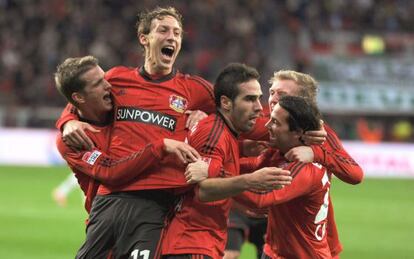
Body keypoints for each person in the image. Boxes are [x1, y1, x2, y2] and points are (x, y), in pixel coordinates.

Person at [57, 8, 288, 259]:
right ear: (144, 38)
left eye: (177, 33)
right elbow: (80, 97)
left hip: (157, 204)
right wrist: (67, 121)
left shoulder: (194, 89)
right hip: (110, 199)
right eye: (163, 30)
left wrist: (300, 126)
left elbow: (242, 112)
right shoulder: (117, 79)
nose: (172, 37)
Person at [54, 55, 201, 258]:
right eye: (98, 83)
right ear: (79, 97)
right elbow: (110, 171)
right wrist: (160, 146)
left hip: (148, 212)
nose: (109, 86)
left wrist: (203, 115)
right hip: (106, 216)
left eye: (104, 78)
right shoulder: (71, 141)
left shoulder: (120, 102)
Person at [225, 70, 364, 258]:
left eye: (282, 95)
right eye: (272, 92)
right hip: (277, 243)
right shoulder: (273, 124)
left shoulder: (317, 138)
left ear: (302, 103)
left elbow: (355, 174)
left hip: (309, 244)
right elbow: (251, 158)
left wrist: (316, 152)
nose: (273, 99)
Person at [161, 63, 292, 259]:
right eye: (249, 99)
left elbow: (213, 178)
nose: (258, 107)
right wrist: (250, 180)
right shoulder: (214, 133)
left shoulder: (225, 133)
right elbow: (203, 190)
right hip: (192, 245)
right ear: (226, 102)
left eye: (259, 99)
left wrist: (242, 202)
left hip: (196, 243)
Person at [235, 95, 334, 258]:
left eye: (275, 122)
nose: (267, 125)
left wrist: (215, 177)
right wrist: (216, 165)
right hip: (274, 252)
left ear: (297, 133)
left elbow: (261, 199)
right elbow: (251, 165)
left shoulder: (305, 168)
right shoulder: (280, 154)